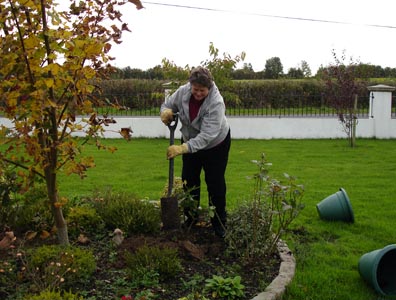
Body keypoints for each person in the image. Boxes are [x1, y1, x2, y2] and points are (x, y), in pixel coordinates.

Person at [160, 66, 231, 238]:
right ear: (191, 85)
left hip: (215, 145)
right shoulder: (183, 91)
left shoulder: (216, 103)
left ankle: (219, 223)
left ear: (210, 87)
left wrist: (183, 148)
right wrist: (165, 112)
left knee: (215, 182)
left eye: (202, 90)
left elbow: (207, 135)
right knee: (189, 180)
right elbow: (168, 104)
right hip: (190, 140)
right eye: (195, 89)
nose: (198, 93)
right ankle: (191, 219)